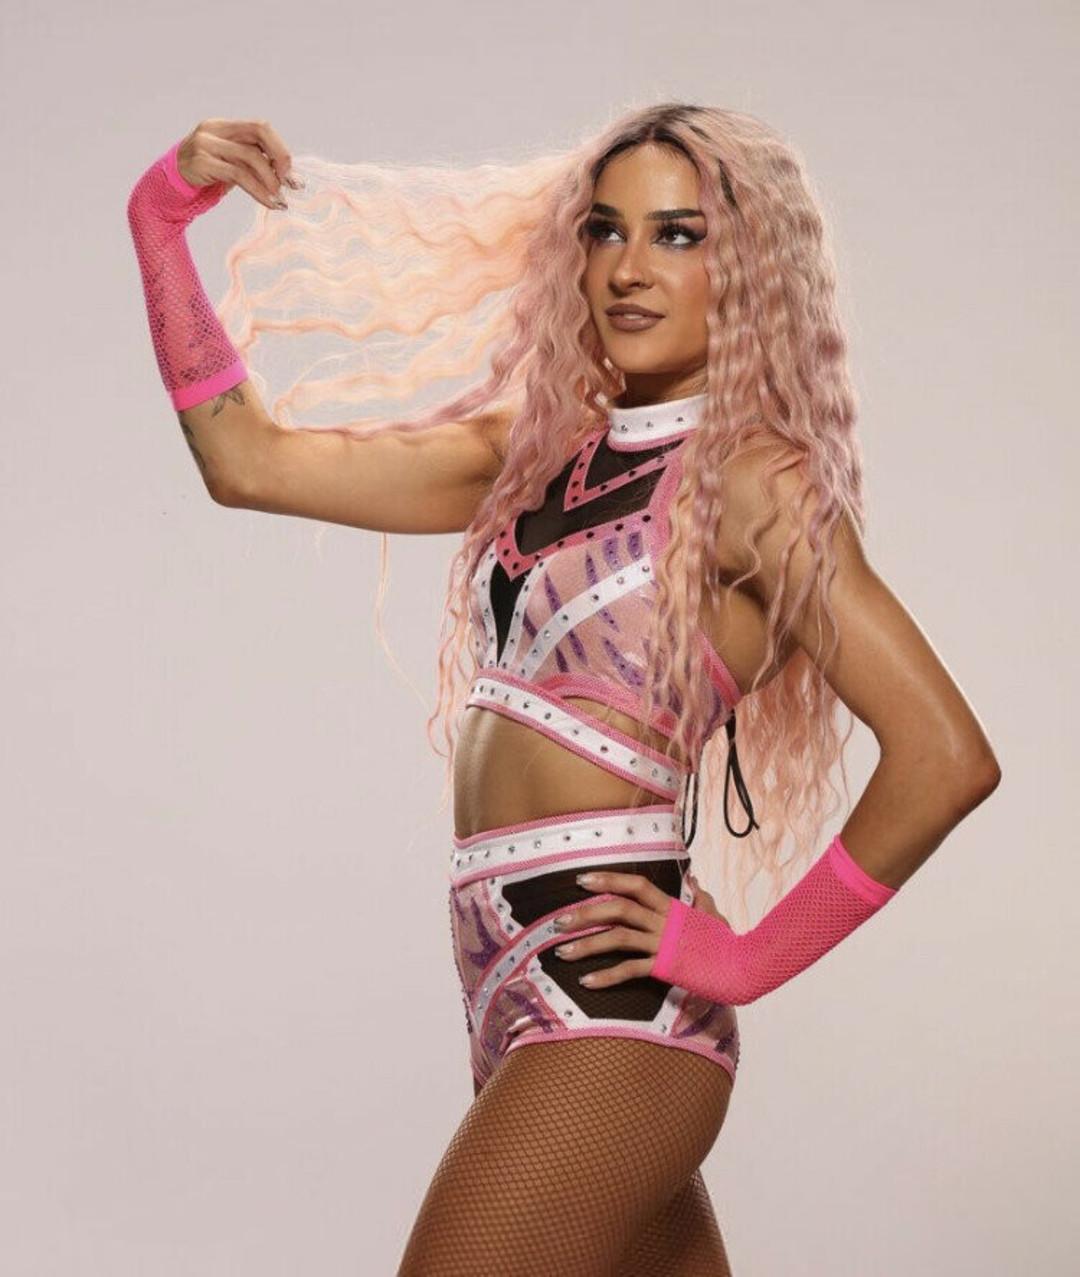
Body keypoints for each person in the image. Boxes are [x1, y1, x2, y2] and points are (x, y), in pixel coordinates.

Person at [127, 103, 1001, 1275]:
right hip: (497, 974)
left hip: (615, 1002)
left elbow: (946, 755)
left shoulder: (753, 486)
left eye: (679, 235)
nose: (630, 268)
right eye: (605, 230)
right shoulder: (534, 452)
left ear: (751, 269)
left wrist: (743, 957)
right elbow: (251, 462)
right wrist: (159, 223)